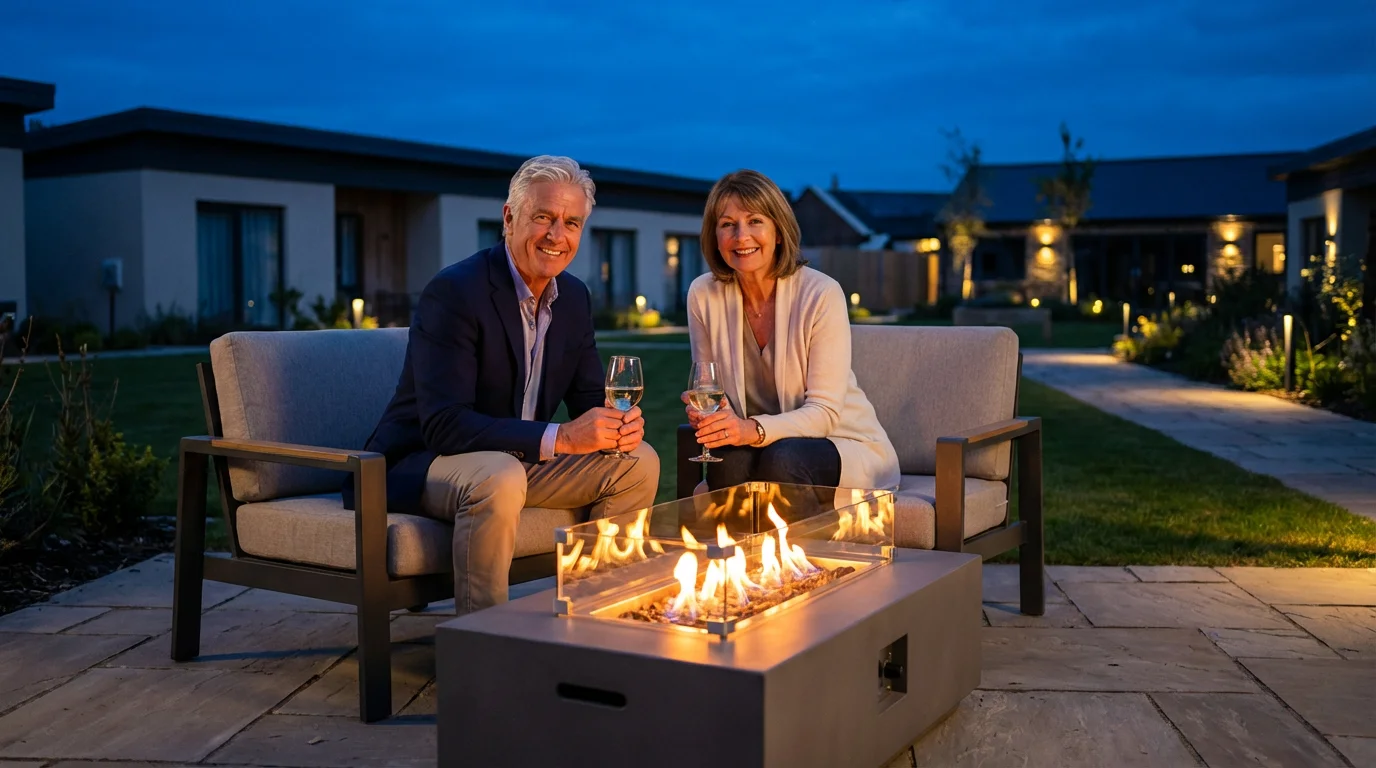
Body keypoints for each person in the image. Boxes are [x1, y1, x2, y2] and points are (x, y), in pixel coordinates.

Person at [350, 155, 659, 615]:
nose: (557, 235)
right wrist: (564, 437)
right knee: (500, 474)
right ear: (509, 217)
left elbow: (592, 399)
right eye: (543, 218)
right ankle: (481, 643)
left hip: (515, 466)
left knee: (639, 461)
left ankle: (597, 611)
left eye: (571, 223)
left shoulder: (573, 297)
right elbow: (444, 426)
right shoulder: (456, 291)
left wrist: (619, 425)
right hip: (422, 464)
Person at [684, 169, 899, 496]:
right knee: (726, 461)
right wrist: (711, 414)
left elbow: (824, 413)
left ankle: (807, 548)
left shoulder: (821, 294)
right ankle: (736, 548)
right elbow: (708, 386)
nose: (742, 236)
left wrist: (750, 430)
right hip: (755, 443)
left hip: (838, 443)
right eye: (728, 224)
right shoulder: (703, 294)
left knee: (782, 460)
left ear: (779, 232)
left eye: (755, 221)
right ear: (715, 236)